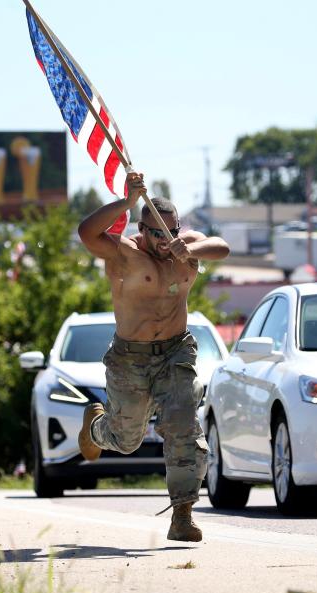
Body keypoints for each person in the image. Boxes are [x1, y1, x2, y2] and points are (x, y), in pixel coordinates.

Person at [76, 171, 230, 542]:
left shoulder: (185, 247)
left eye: (170, 232)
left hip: (176, 352)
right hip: (130, 357)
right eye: (156, 233)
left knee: (183, 426)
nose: (165, 241)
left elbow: (221, 246)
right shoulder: (124, 253)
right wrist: (128, 202)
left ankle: (182, 515)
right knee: (126, 439)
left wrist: (189, 250)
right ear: (142, 230)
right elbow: (87, 233)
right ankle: (97, 428)